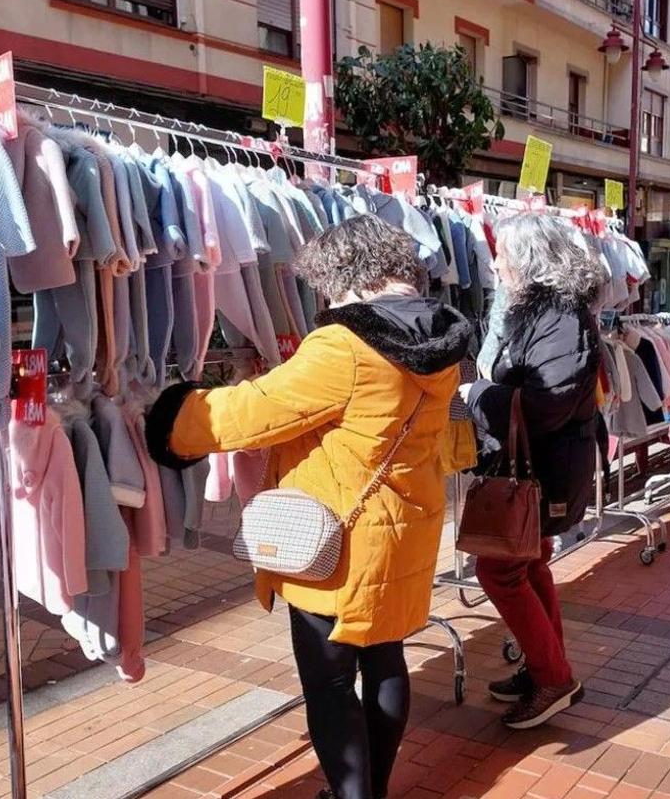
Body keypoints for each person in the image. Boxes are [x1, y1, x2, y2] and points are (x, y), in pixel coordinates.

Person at [145, 215, 471, 799]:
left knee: (329, 683)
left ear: (341, 275)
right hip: (405, 527)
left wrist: (171, 417)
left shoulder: (344, 345)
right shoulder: (435, 340)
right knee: (386, 661)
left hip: (338, 542)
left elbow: (254, 410)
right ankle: (374, 789)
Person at [461, 214, 604, 730]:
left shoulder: (560, 316)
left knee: (498, 569)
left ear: (529, 262)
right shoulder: (546, 312)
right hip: (541, 465)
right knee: (528, 563)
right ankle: (547, 667)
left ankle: (553, 677)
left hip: (546, 466)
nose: (494, 262)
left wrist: (477, 396)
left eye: (502, 253)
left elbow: (547, 403)